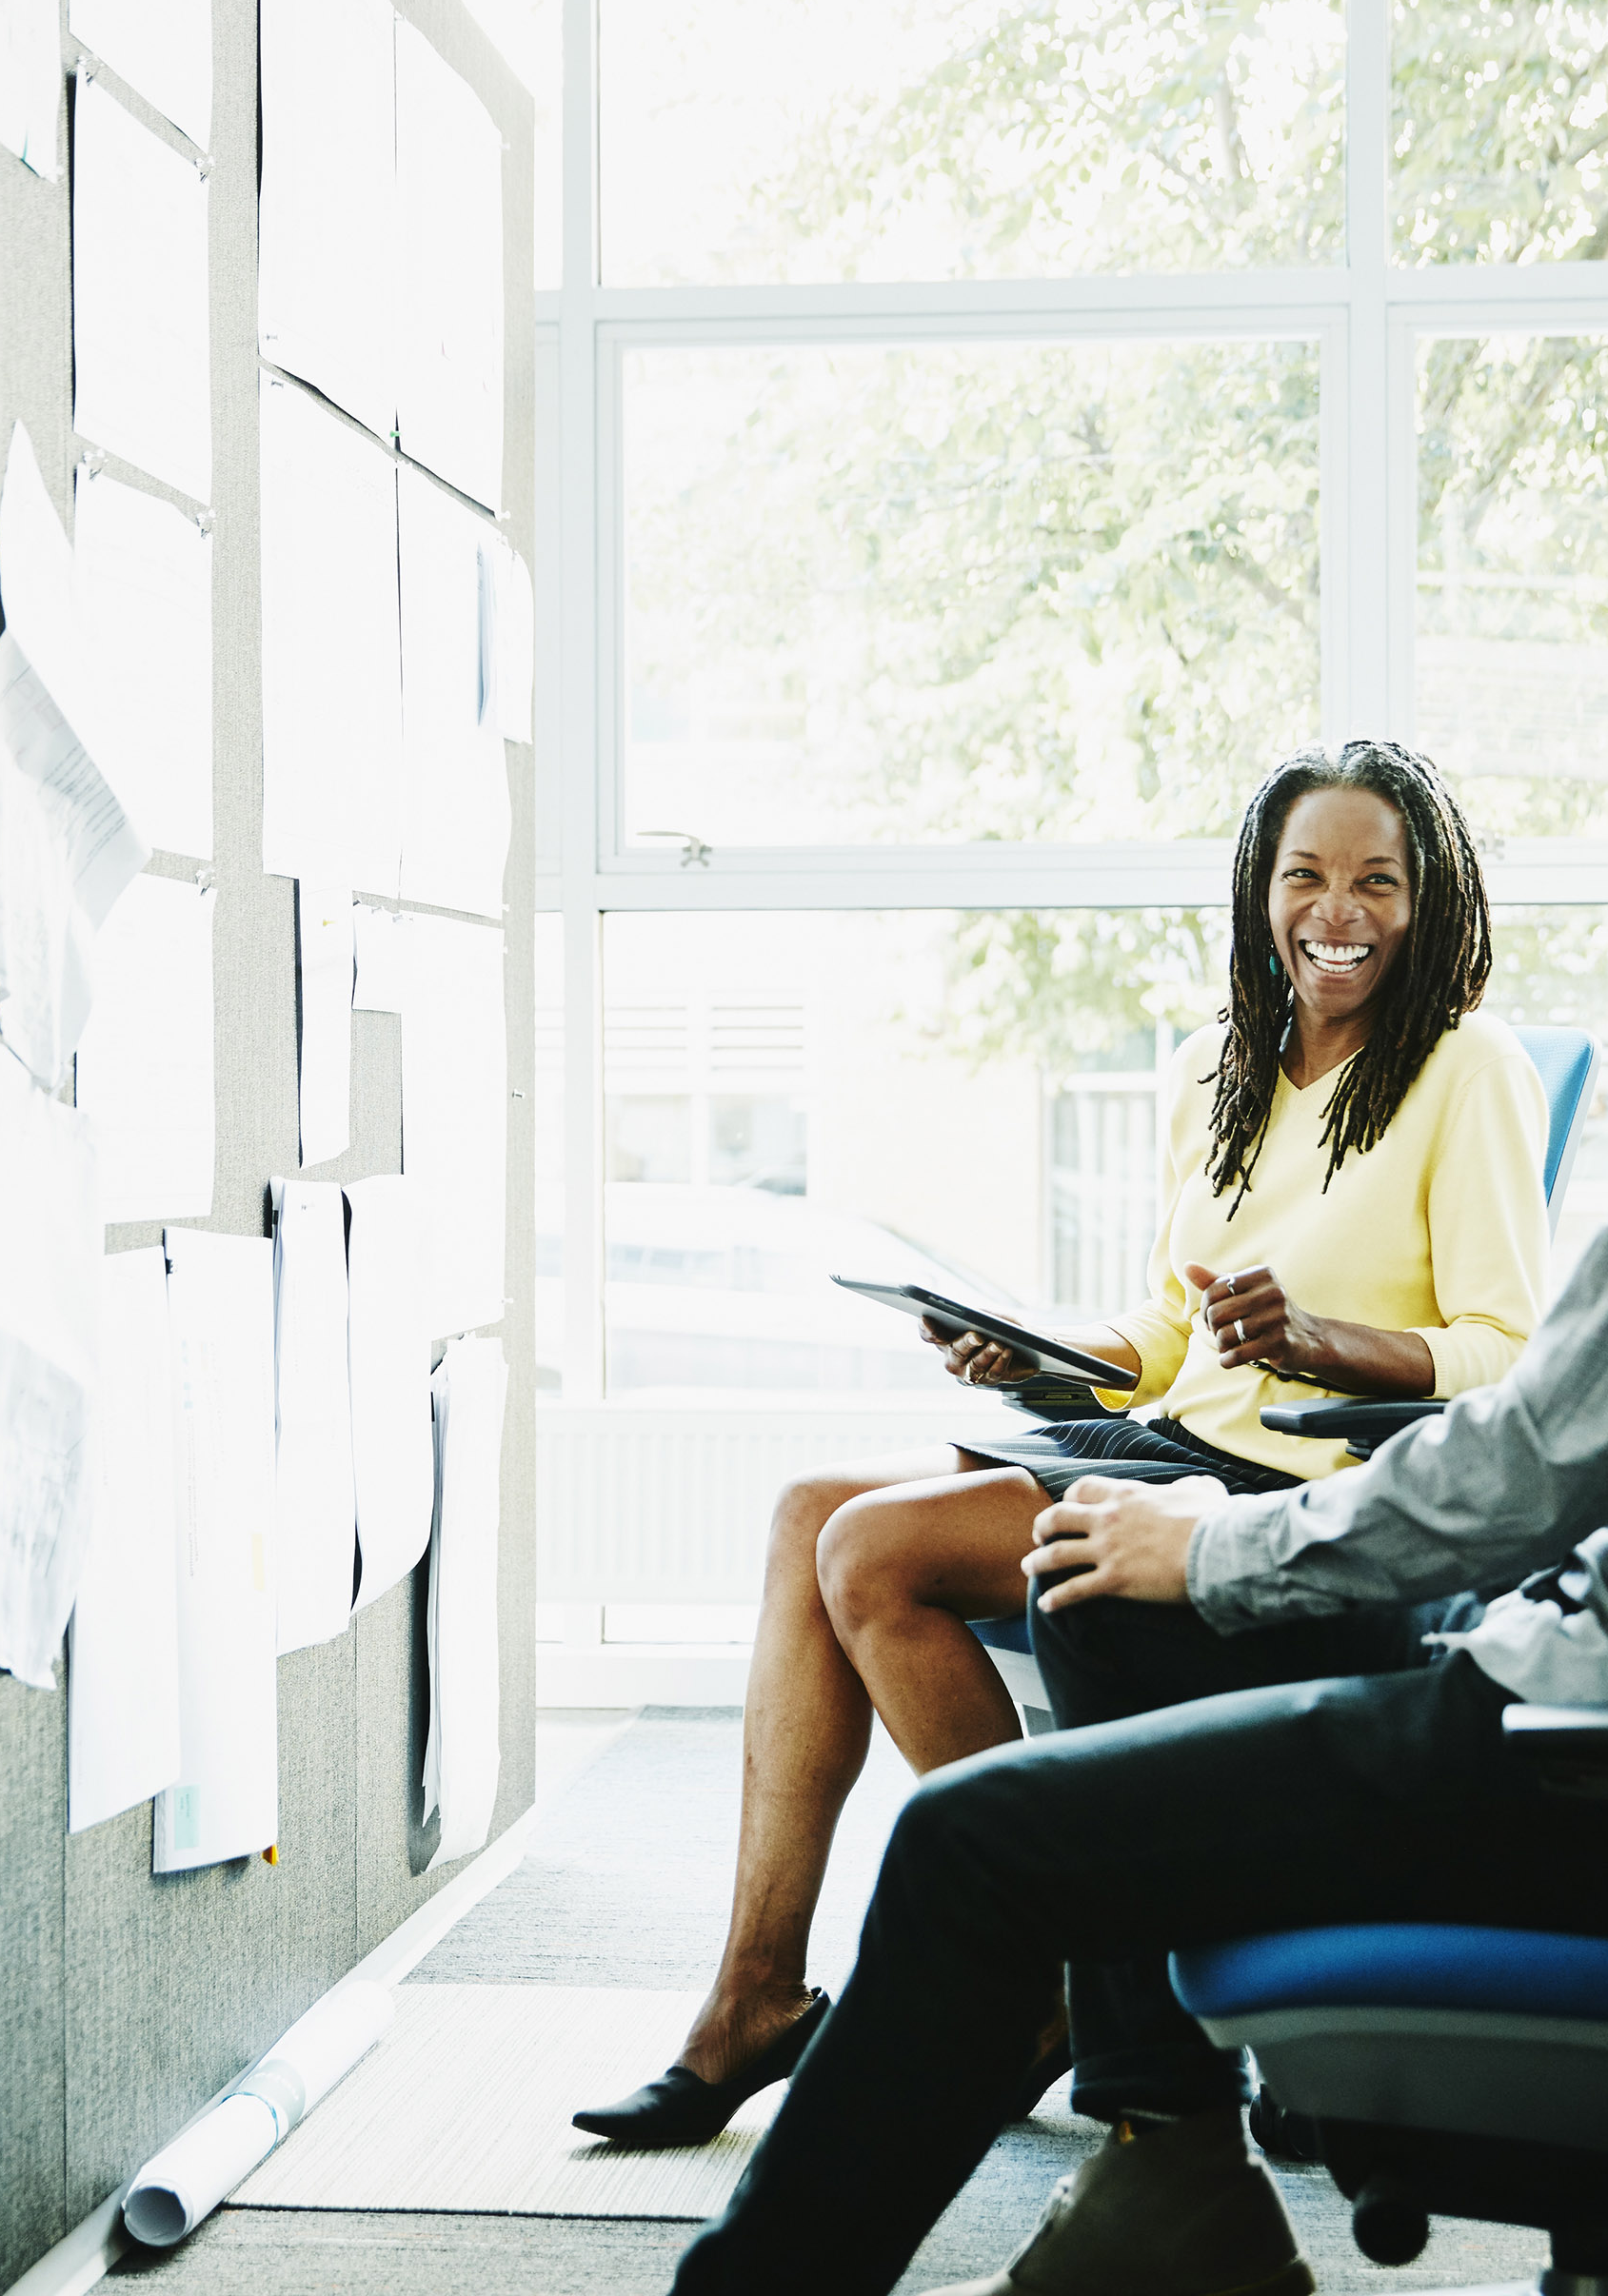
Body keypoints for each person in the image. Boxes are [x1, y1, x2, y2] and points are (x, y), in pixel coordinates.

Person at [665, 665, 1608, 2296]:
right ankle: (1173, 2169)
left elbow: (1539, 1446)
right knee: (1106, 1602)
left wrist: (1220, 1550)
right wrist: (1178, 1534)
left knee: (972, 1846)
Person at [572, 742, 1552, 2148]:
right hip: (1174, 1446)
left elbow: (1505, 1352)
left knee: (872, 1551)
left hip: (1307, 1482)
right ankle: (757, 1998)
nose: (1338, 912)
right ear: (1258, 894)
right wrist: (1036, 1350)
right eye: (1307, 877)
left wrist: (1327, 1341)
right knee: (810, 1517)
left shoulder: (1467, 1067)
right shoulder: (1218, 1066)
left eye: (1378, 883)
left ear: (1430, 900)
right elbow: (1167, 1329)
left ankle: (1044, 1941)